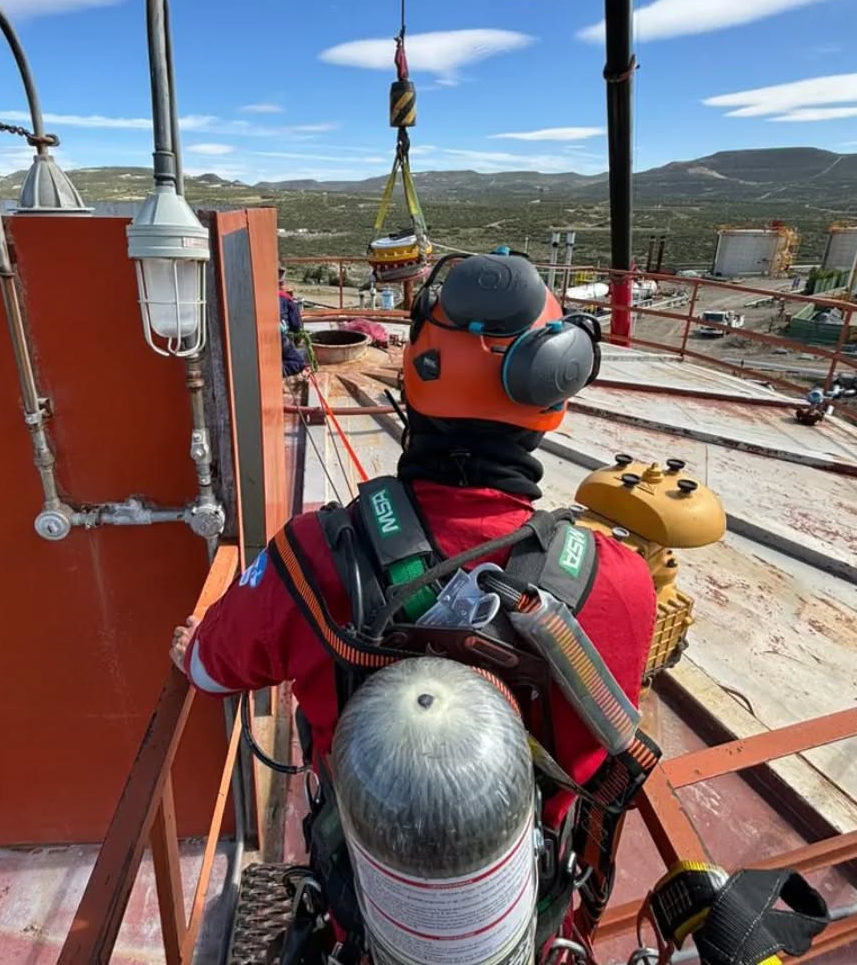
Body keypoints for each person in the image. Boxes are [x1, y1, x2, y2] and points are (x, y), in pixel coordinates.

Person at [172, 250, 659, 962]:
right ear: (553, 394)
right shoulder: (619, 581)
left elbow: (209, 669)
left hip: (367, 914)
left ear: (413, 383)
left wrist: (194, 645)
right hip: (534, 917)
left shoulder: (314, 555)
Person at [279, 266, 308, 377]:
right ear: (282, 283)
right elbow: (297, 327)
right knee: (299, 361)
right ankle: (277, 371)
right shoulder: (286, 299)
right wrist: (298, 341)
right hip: (279, 339)